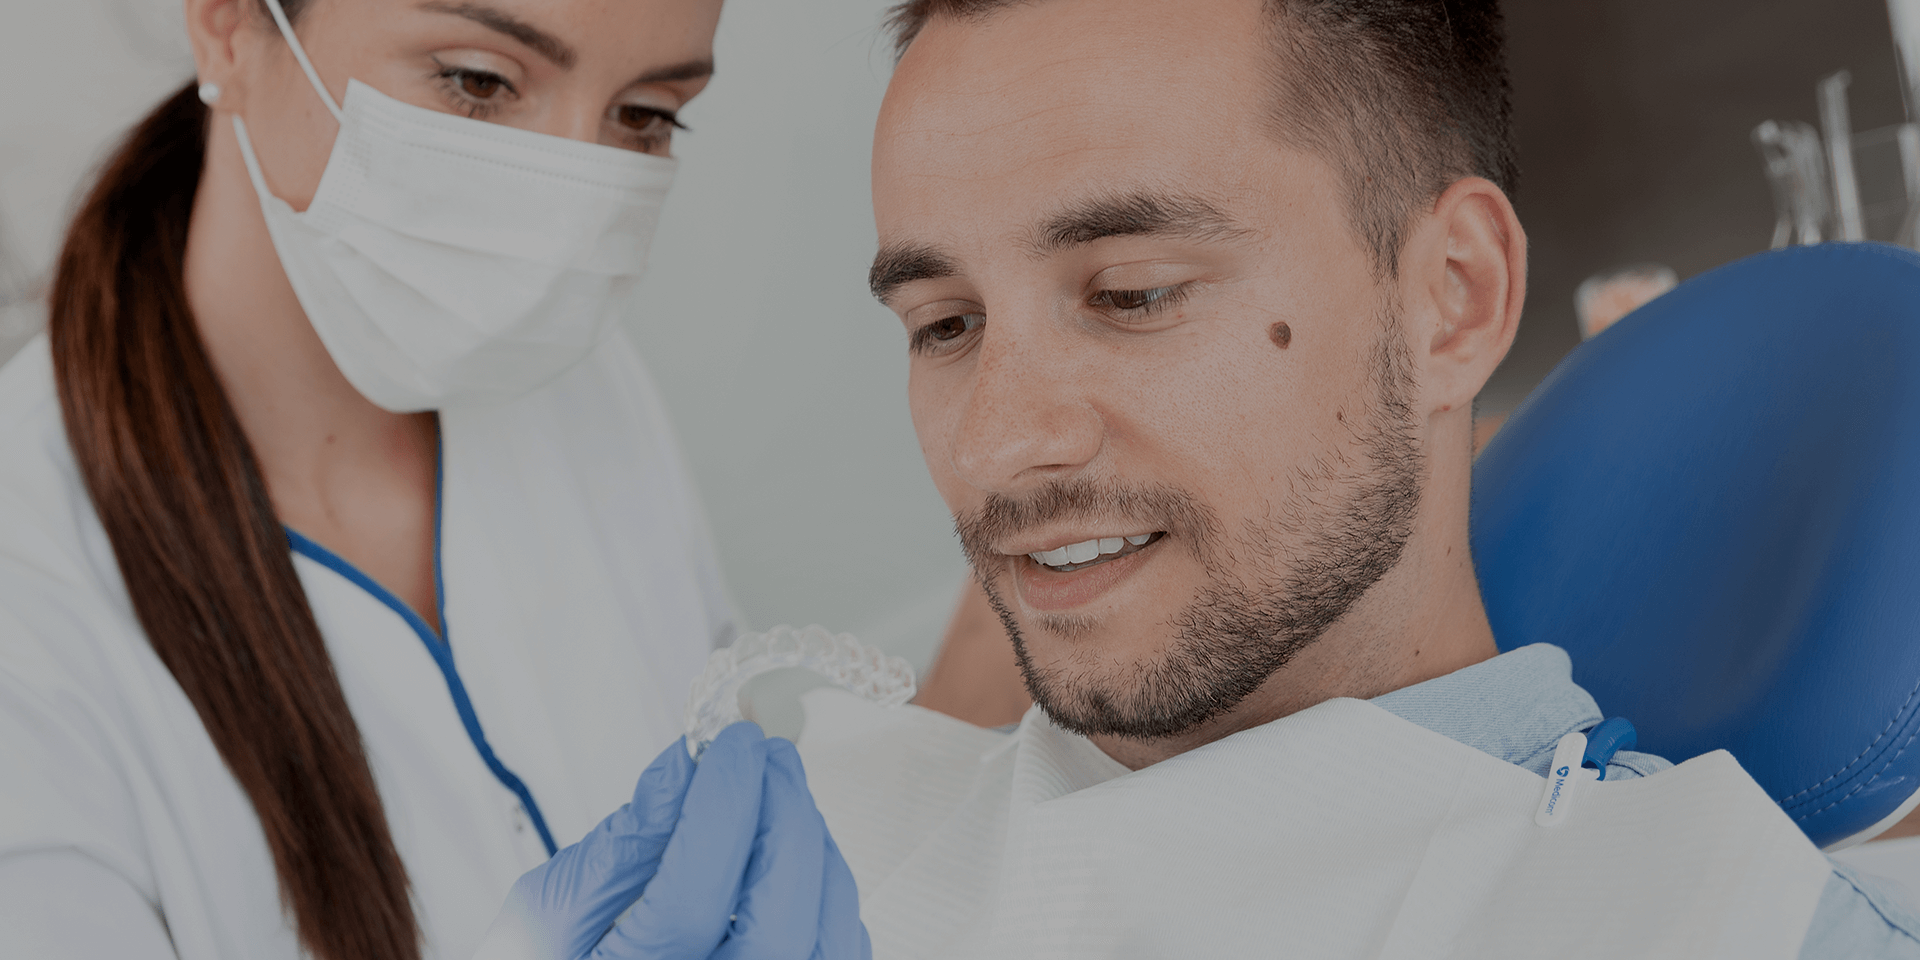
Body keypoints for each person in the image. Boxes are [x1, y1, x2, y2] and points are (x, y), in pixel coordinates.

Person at [785, 0, 1918, 955]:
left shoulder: (1709, 924)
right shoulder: (807, 852)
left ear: (1452, 297)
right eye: (943, 325)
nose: (994, 444)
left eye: (1131, 293)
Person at [0, 0, 863, 957]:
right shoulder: (29, 613)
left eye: (646, 114)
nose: (570, 213)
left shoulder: (577, 381)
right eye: (478, 81)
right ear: (227, 27)